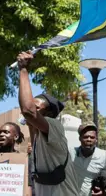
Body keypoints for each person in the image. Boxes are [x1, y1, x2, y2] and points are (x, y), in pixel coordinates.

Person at [16, 51, 79, 196]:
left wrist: (23, 69)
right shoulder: (37, 139)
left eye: (37, 107)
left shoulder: (54, 126)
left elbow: (28, 111)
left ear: (49, 114)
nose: (33, 110)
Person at [72, 121, 106, 196]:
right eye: (85, 136)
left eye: (92, 137)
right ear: (80, 138)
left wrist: (105, 190)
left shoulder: (105, 156)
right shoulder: (71, 153)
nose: (89, 139)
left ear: (96, 140)